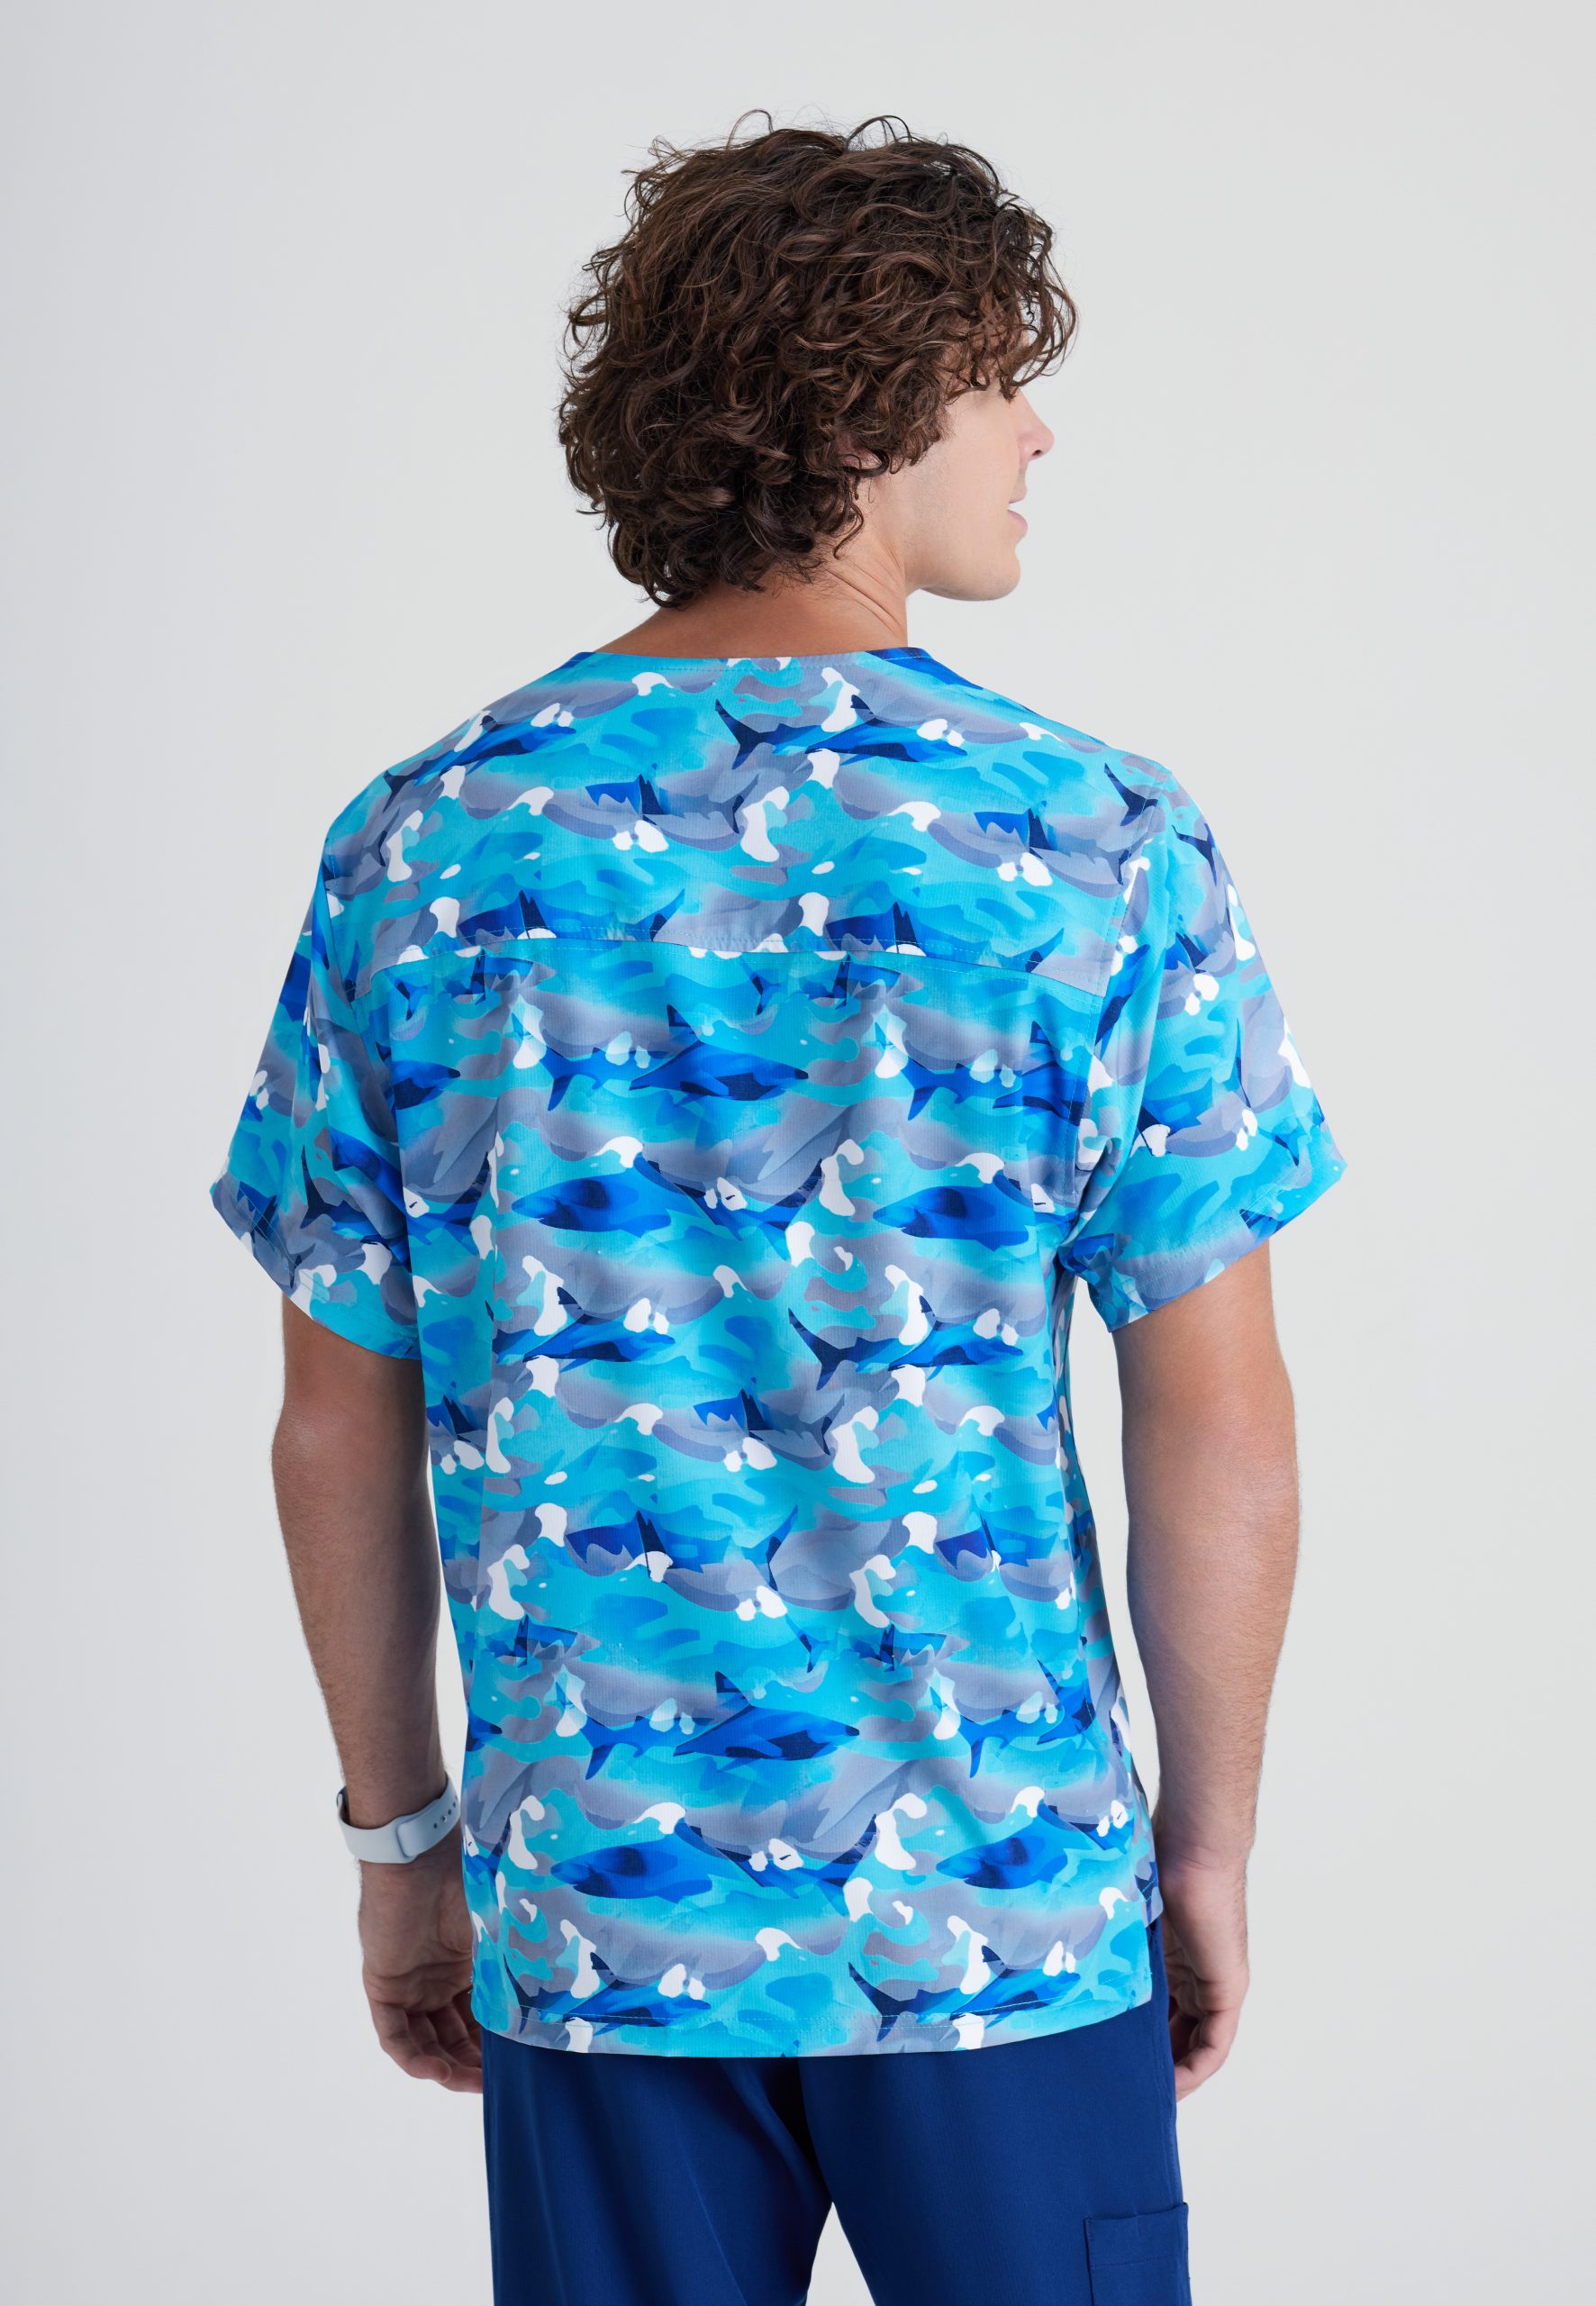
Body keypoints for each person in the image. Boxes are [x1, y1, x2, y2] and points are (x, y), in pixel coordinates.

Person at [209, 113, 1346, 2306]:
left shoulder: (424, 843)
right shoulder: (1096, 838)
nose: (1034, 431)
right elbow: (1220, 1417)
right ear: (860, 409)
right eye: (994, 377)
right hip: (1003, 1906)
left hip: (598, 1911)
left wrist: (405, 1843)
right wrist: (1199, 1847)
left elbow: (338, 1417)